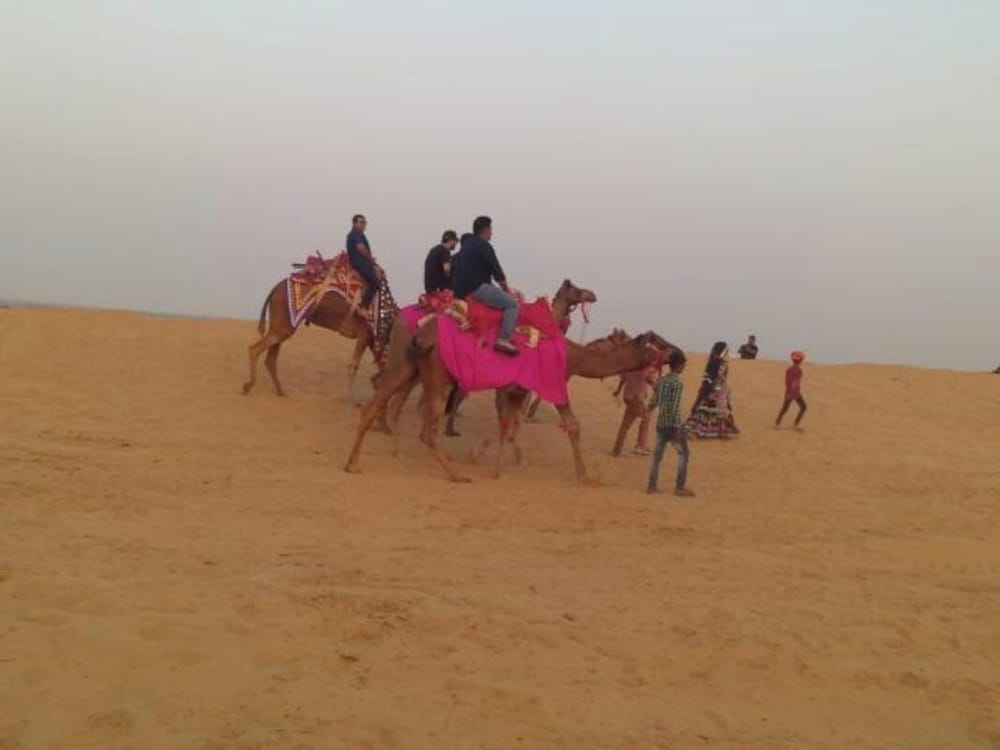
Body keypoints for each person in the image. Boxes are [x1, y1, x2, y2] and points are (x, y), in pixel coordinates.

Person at [451, 216, 519, 356]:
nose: (492, 233)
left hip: (459, 292)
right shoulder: (484, 246)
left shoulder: (466, 248)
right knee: (512, 305)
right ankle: (503, 339)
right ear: (486, 230)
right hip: (476, 288)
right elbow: (497, 273)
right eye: (491, 230)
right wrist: (507, 291)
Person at [646, 350, 695, 497]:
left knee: (657, 456)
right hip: (673, 424)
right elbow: (674, 407)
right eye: (683, 365)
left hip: (661, 424)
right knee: (684, 454)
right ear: (679, 366)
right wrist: (681, 428)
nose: (684, 367)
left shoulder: (661, 381)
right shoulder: (678, 383)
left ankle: (652, 485)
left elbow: (654, 402)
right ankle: (680, 487)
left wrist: (647, 412)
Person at [687, 341, 740, 438]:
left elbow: (710, 377)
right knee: (716, 410)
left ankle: (700, 430)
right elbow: (713, 377)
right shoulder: (719, 363)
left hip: (715, 390)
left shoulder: (715, 362)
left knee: (710, 410)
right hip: (716, 390)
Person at [345, 214, 382, 315]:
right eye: (361, 222)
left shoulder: (359, 234)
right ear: (355, 223)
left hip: (362, 263)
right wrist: (371, 261)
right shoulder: (356, 234)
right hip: (359, 263)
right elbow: (360, 248)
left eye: (364, 223)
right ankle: (363, 307)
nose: (363, 225)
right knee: (375, 282)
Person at [775, 351, 808, 429]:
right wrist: (791, 393)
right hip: (794, 393)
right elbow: (793, 382)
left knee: (785, 408)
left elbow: (787, 381)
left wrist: (789, 392)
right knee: (803, 407)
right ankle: (795, 424)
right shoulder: (798, 371)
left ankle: (777, 423)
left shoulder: (789, 369)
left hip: (791, 392)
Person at [424, 230, 458, 294]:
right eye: (455, 241)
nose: (455, 244)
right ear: (450, 240)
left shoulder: (434, 250)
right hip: (439, 289)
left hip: (430, 288)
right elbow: (447, 270)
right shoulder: (445, 250)